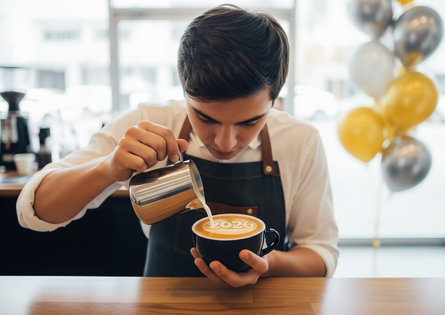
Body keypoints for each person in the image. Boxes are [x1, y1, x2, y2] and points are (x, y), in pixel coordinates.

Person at [17, 5, 338, 287]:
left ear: (274, 100)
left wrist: (270, 265)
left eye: (249, 122)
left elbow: (321, 256)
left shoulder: (300, 141)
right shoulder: (148, 121)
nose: (225, 143)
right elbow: (35, 213)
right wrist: (109, 168)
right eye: (205, 118)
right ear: (184, 90)